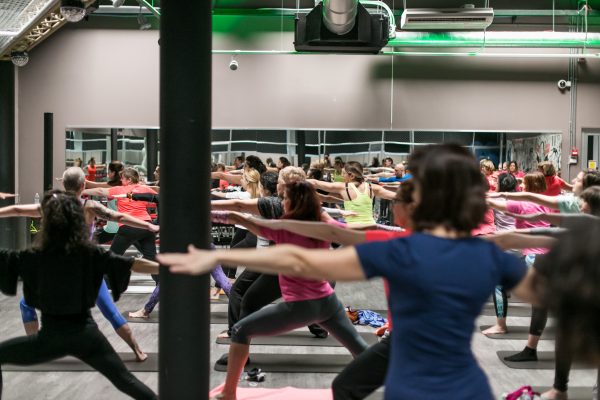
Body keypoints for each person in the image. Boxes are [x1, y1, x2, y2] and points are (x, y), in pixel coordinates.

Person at [159, 144, 534, 400]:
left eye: (396, 199)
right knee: (351, 374)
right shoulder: (482, 251)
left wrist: (213, 259)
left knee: (347, 384)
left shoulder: (397, 249)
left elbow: (310, 257)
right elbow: (553, 295)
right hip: (468, 383)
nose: (389, 201)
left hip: (410, 372)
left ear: (410, 209)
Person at [202, 181, 369, 400]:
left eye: (286, 199)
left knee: (241, 330)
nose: (284, 202)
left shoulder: (283, 229)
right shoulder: (323, 224)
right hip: (328, 302)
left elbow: (238, 218)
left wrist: (204, 210)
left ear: (294, 203)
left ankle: (229, 393)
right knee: (362, 351)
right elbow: (356, 234)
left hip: (300, 307)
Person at [0, 191, 158, 399]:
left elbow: (6, 255)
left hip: (49, 340)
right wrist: (170, 266)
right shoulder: (90, 255)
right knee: (126, 381)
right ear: (77, 223)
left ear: (46, 225)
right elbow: (133, 264)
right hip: (87, 338)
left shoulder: (32, 258)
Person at [308, 162, 396, 225]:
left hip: (354, 229)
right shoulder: (372, 187)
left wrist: (297, 178)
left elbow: (315, 183)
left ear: (352, 176)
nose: (342, 176)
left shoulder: (343, 187)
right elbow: (395, 196)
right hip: (370, 227)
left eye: (344, 174)